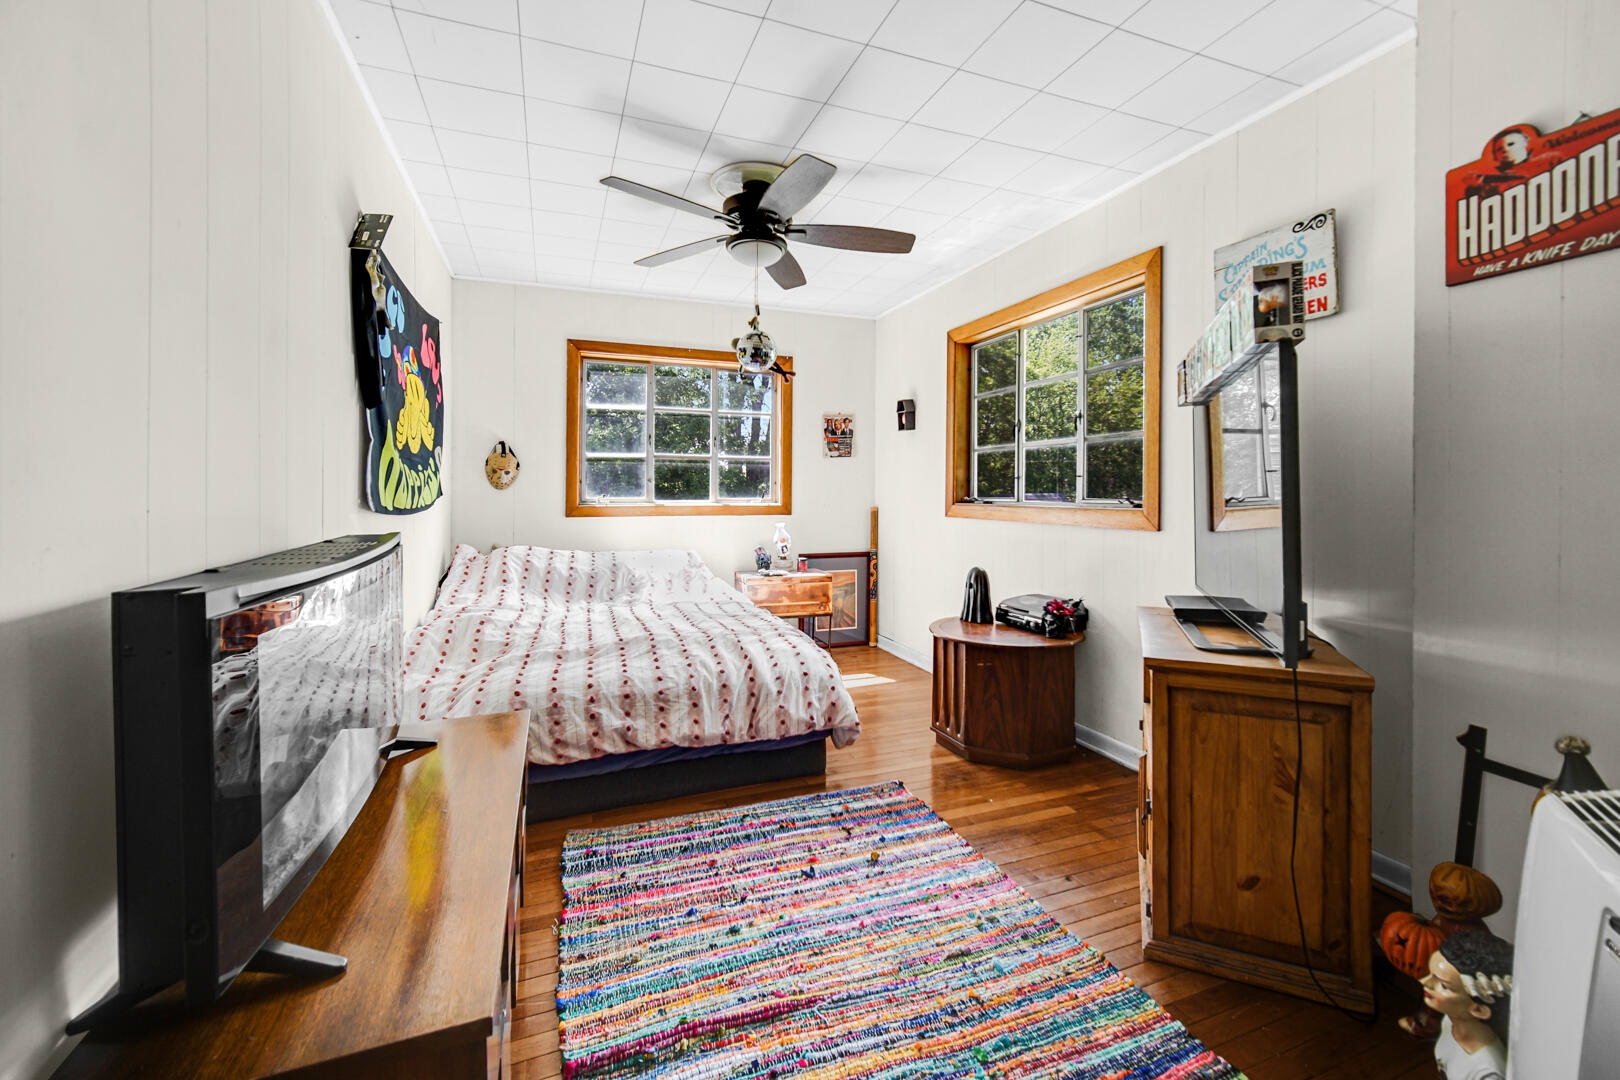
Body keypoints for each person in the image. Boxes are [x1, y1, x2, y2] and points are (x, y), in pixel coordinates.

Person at [1420, 930, 1513, 1080]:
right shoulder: (1449, 1022)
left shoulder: (1486, 1073)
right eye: (1431, 976)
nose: (1424, 982)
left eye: (1444, 986)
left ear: (1478, 1009)